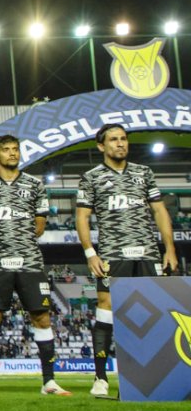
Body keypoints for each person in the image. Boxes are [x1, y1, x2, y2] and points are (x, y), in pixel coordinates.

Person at [75, 125, 178, 397]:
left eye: (123, 139)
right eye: (113, 140)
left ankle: (156, 375)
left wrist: (170, 248)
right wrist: (90, 253)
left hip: (147, 253)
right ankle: (100, 378)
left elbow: (158, 210)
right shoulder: (91, 177)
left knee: (154, 311)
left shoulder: (143, 173)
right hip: (112, 253)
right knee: (106, 306)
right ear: (101, 146)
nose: (120, 144)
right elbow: (83, 217)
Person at [0, 134, 68, 396]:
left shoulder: (35, 185)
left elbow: (40, 223)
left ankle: (49, 381)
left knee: (41, 316)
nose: (12, 153)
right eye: (6, 150)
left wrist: (20, 242)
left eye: (15, 149)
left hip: (31, 262)